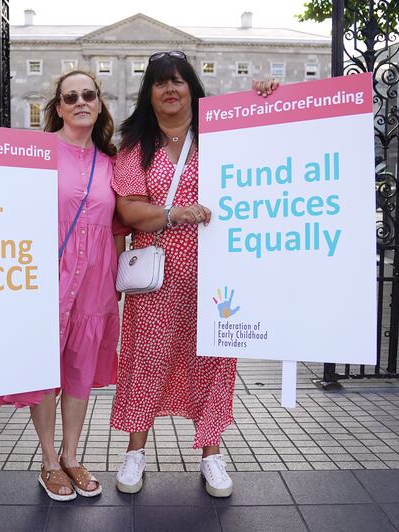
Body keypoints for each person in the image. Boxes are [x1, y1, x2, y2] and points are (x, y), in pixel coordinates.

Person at [110, 50, 278, 498]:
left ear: (191, 88)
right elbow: (128, 208)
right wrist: (172, 213)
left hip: (215, 275)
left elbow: (272, 148)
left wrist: (264, 96)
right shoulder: (134, 144)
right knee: (146, 361)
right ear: (149, 91)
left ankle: (211, 454)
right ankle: (134, 453)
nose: (170, 89)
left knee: (214, 362)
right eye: (160, 82)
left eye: (178, 81)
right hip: (156, 278)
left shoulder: (221, 134)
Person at [0, 70, 127, 501]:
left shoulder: (112, 162)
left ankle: (72, 456)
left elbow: (120, 224)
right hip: (44, 277)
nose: (79, 101)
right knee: (43, 368)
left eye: (88, 94)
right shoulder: (35, 151)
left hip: (94, 281)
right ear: (58, 107)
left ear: (99, 102)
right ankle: (50, 461)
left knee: (77, 370)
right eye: (69, 96)